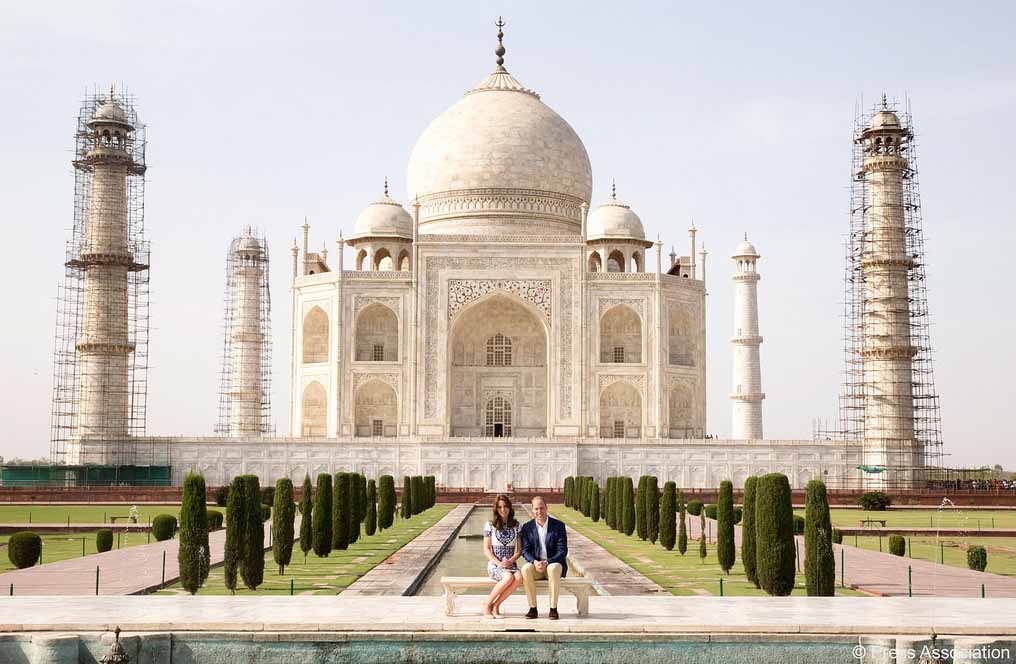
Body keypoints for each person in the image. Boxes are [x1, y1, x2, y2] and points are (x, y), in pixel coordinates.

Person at [519, 495, 568, 620]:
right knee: (525, 569)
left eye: (541, 508)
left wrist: (548, 562)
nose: (539, 512)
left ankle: (553, 609)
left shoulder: (558, 526)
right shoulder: (527, 527)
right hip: (537, 566)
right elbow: (525, 550)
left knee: (553, 568)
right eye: (536, 509)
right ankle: (533, 608)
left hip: (553, 564)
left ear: (547, 508)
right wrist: (534, 562)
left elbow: (562, 551)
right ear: (532, 510)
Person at [482, 494, 522, 618]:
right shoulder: (490, 525)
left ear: (510, 508)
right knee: (508, 577)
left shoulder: (516, 526)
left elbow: (519, 550)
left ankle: (496, 605)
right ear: (496, 509)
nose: (503, 510)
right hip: (495, 565)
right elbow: (487, 549)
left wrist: (510, 561)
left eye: (505, 507)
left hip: (510, 564)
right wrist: (499, 563)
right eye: (500, 507)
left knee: (519, 577)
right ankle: (487, 604)